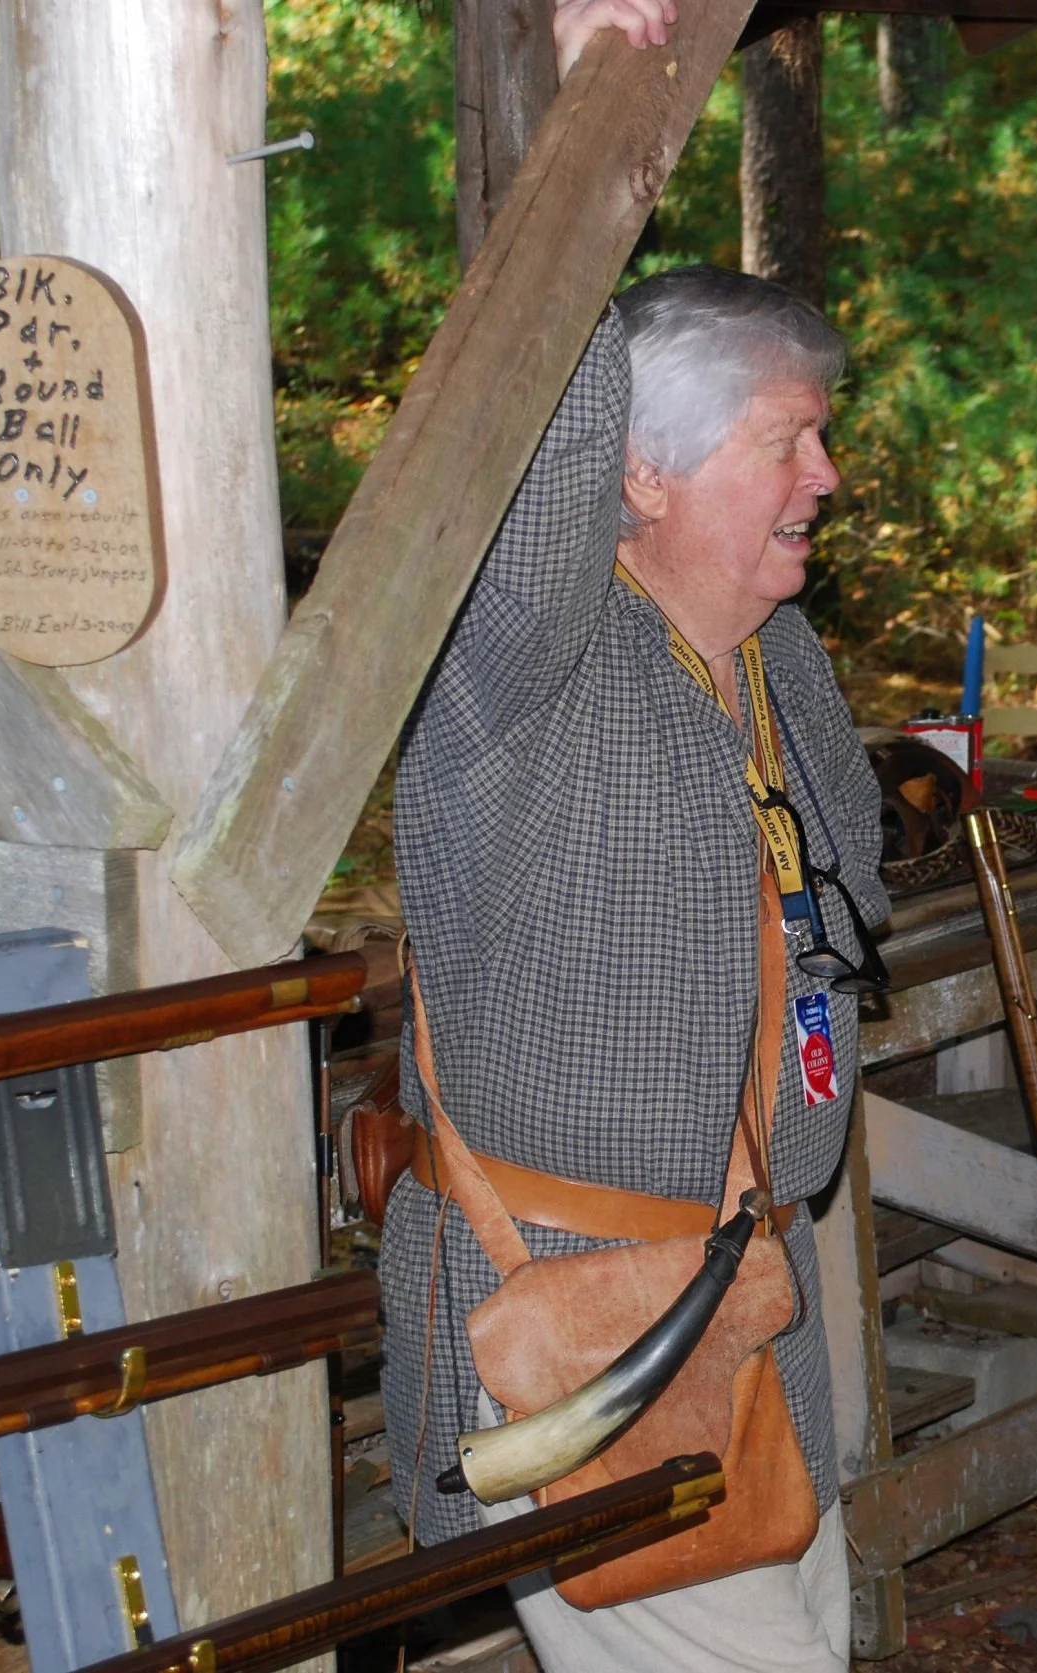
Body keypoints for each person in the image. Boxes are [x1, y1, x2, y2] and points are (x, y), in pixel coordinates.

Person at [379, 260, 885, 1673]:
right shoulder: (525, 659)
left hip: (749, 1322)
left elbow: (848, 905)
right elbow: (537, 420)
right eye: (784, 438)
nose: (826, 473)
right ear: (641, 473)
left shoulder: (778, 657)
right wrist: (585, 113)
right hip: (566, 1331)